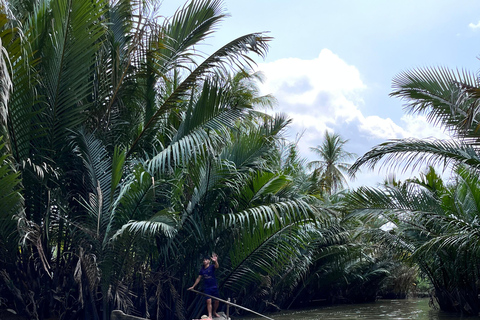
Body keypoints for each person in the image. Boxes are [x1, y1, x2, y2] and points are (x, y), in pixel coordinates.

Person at [188, 253, 220, 320]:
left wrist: (215, 261)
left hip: (214, 287)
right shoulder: (202, 270)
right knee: (208, 301)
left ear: (208, 261)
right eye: (203, 260)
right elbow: (198, 278)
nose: (204, 261)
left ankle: (214, 312)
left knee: (217, 301)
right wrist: (193, 286)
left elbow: (217, 266)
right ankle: (210, 316)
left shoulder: (211, 267)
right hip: (207, 288)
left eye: (205, 260)